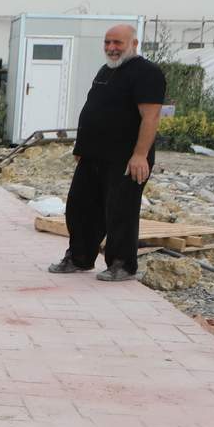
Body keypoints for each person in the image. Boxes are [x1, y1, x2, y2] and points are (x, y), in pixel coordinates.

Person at [48, 23, 165, 282]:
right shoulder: (107, 70)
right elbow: (95, 109)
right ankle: (79, 257)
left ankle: (122, 264)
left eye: (117, 43)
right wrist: (82, 148)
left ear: (134, 44)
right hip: (94, 155)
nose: (111, 48)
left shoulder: (147, 73)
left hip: (126, 158)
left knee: (120, 211)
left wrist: (140, 155)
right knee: (80, 207)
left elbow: (151, 116)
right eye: (107, 42)